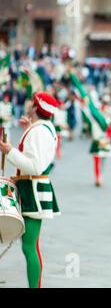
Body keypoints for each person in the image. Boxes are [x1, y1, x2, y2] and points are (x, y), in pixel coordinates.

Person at [0, 91, 60, 288]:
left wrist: (9, 151)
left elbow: (36, 166)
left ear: (35, 108)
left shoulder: (39, 131)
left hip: (33, 191)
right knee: (30, 245)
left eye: (31, 102)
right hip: (31, 188)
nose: (28, 104)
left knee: (29, 246)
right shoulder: (44, 128)